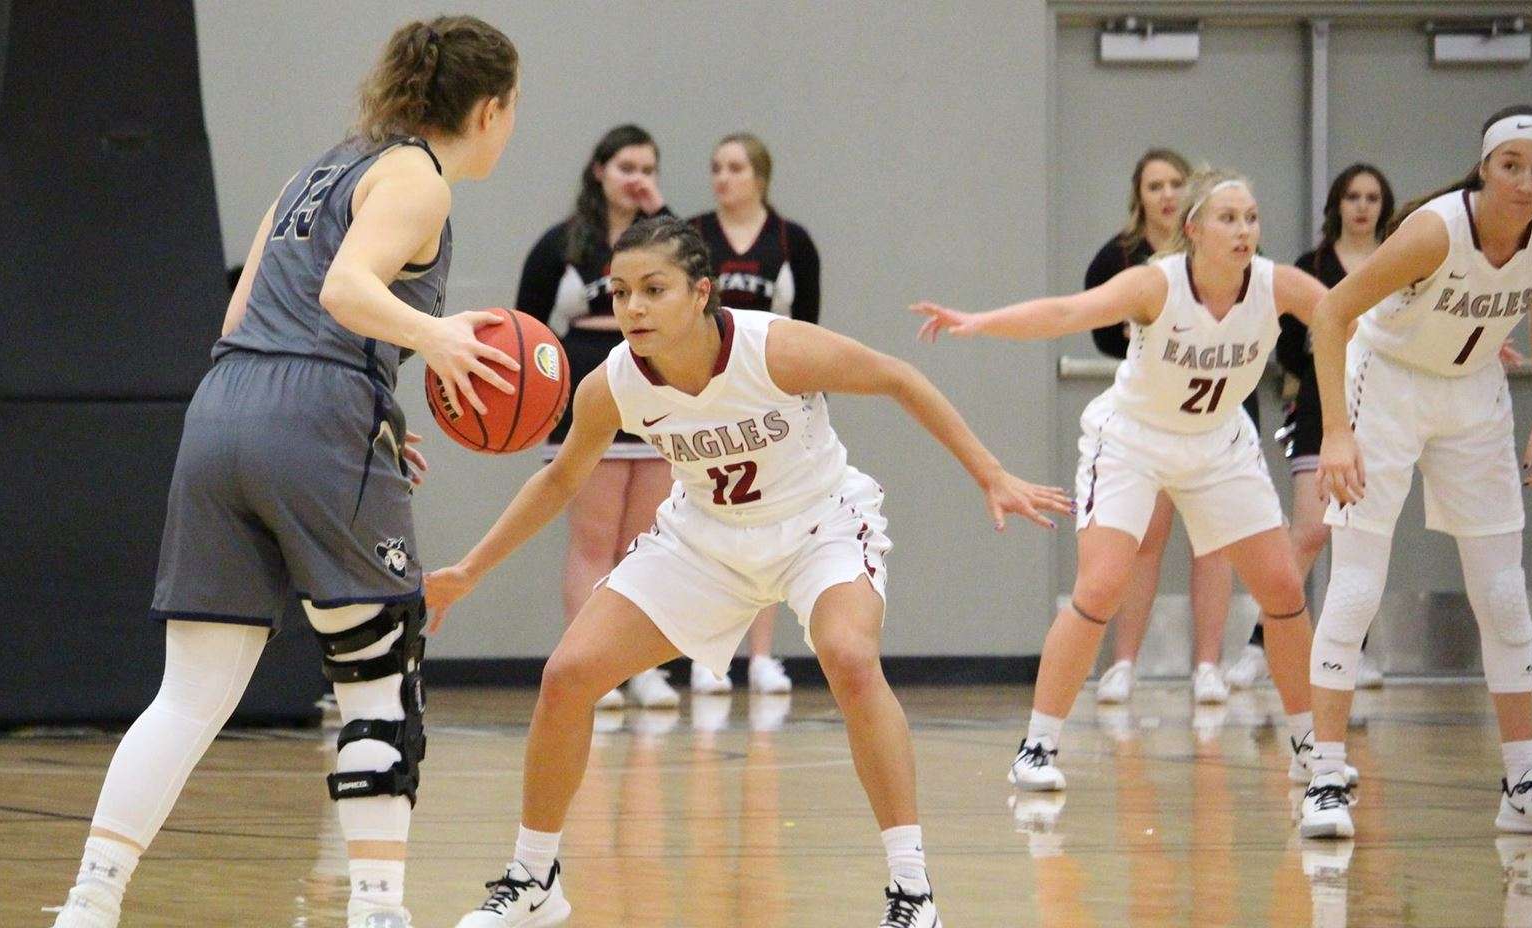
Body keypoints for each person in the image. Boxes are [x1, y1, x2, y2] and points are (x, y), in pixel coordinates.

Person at [430, 216, 1068, 927]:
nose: (633, 307)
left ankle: (912, 889)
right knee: (567, 676)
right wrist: (468, 569)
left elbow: (898, 377)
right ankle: (534, 878)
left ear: (702, 293)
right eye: (620, 291)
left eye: (653, 289)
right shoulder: (612, 385)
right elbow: (557, 482)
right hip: (704, 542)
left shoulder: (773, 349)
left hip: (818, 524)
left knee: (850, 657)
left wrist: (991, 473)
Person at [44, 18, 519, 928]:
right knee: (378, 676)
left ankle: (88, 903)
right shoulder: (419, 177)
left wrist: (370, 396)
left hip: (225, 404)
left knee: (186, 695)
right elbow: (346, 291)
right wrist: (430, 341)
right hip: (312, 415)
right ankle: (380, 912)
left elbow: (245, 308)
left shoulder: (318, 170)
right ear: (490, 109)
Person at [913, 169, 1343, 794]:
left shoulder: (1276, 283)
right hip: (1132, 444)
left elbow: (1347, 315)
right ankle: (1038, 745)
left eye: (1251, 218)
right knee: (1103, 583)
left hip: (1220, 446)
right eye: (1227, 218)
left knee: (1280, 584)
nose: (1243, 230)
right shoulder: (1155, 284)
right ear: (1193, 229)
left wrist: (1430, 344)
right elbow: (1067, 311)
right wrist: (979, 321)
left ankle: (1312, 749)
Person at [1300, 106, 1532, 839]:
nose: (1526, 181)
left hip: (1475, 391)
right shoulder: (1435, 230)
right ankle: (1324, 777)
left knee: (1505, 593)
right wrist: (1336, 431)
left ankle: (1522, 781)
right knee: (1357, 584)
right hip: (1384, 382)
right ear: (1484, 168)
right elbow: (1330, 314)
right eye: (1511, 165)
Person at [1081, 149, 1250, 706]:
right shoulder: (1122, 258)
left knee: (1215, 544)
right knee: (1144, 542)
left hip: (1215, 410)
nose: (1167, 194)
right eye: (1155, 185)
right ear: (1140, 196)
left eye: (1176, 183)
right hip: (1151, 416)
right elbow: (1096, 326)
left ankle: (1208, 665)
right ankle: (1124, 663)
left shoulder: (1230, 251)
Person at [517, 125, 677, 709]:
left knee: (649, 542)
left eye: (648, 168)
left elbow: (698, 291)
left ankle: (643, 667)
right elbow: (524, 333)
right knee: (593, 542)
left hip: (657, 391)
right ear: (599, 171)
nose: (637, 178)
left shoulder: (666, 238)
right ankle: (589, 667)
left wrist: (661, 216)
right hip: (589, 393)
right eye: (627, 166)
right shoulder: (560, 245)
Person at [1226, 163, 1395, 691]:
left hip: (1384, 405)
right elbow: (1285, 340)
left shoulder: (1399, 261)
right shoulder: (1311, 264)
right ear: (1337, 206)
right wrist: (1310, 377)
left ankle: (1352, 651)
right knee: (1311, 531)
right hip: (1322, 407)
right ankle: (1260, 646)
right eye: (1353, 197)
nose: (1362, 206)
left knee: (1362, 535)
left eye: (1371, 197)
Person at [685, 132, 821, 696]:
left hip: (770, 387)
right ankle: (706, 654)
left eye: (735, 168)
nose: (723, 178)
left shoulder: (791, 240)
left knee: (771, 521)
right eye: (716, 167)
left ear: (760, 176)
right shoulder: (691, 236)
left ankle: (763, 656)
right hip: (708, 386)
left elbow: (809, 325)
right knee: (709, 521)